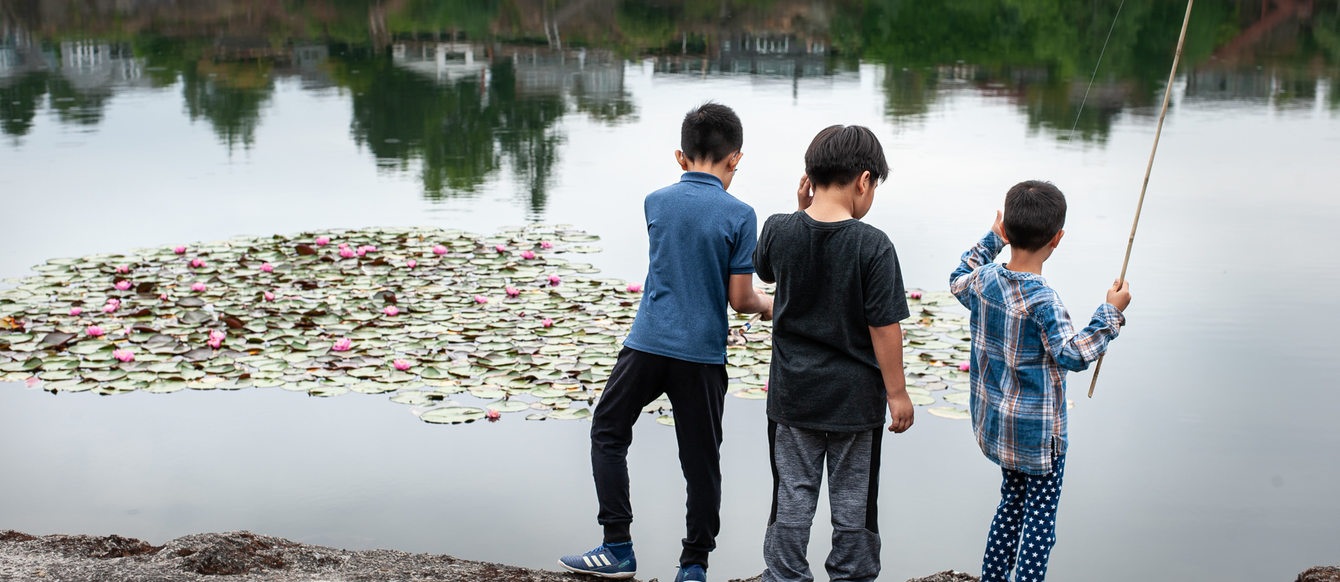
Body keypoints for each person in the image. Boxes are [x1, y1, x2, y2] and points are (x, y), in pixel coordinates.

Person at [558, 102, 773, 582]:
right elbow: (739, 299)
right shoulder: (741, 214)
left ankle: (617, 547)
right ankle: (693, 566)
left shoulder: (655, 201)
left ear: (681, 157)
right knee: (701, 464)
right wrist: (771, 305)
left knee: (608, 432)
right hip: (700, 355)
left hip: (647, 344)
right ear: (735, 158)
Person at [752, 124, 915, 582]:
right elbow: (884, 328)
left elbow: (763, 267)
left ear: (810, 177)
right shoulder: (873, 245)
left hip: (793, 398)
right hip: (855, 403)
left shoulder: (779, 229)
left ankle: (784, 575)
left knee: (792, 494)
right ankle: (852, 574)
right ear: (864, 181)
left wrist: (798, 210)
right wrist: (897, 393)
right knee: (854, 500)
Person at [948, 180, 1131, 582]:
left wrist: (990, 240)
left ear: (1007, 232)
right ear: (1057, 239)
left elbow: (958, 276)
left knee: (1010, 505)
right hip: (1039, 437)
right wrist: (1110, 314)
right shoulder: (1044, 299)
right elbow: (1073, 354)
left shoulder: (984, 282)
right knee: (1039, 527)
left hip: (999, 430)